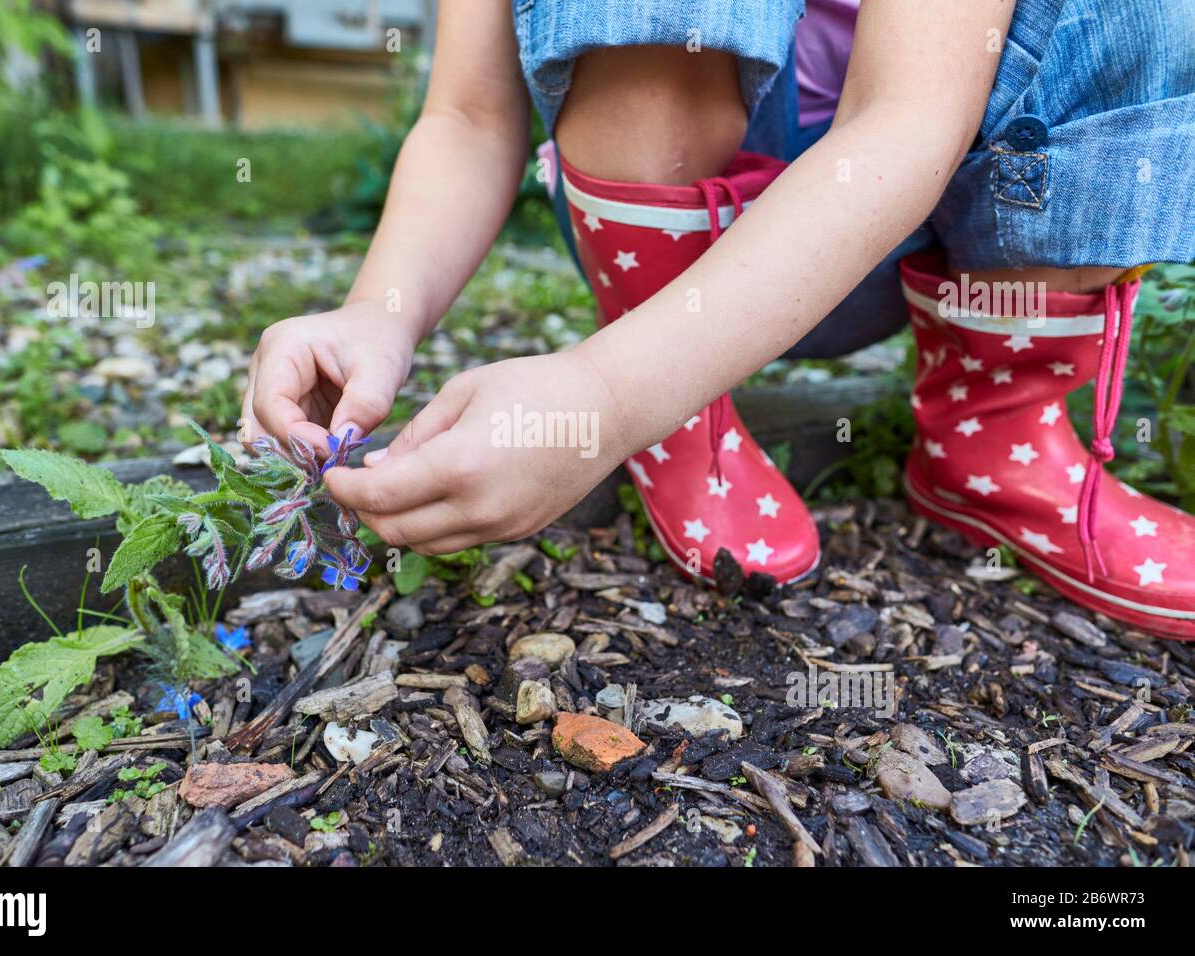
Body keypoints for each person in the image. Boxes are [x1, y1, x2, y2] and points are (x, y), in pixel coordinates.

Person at [240, 0, 1195, 638]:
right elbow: (470, 117)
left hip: (913, 228)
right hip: (672, 264)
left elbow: (911, 118)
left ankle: (996, 445)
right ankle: (681, 417)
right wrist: (378, 311)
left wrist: (602, 397)